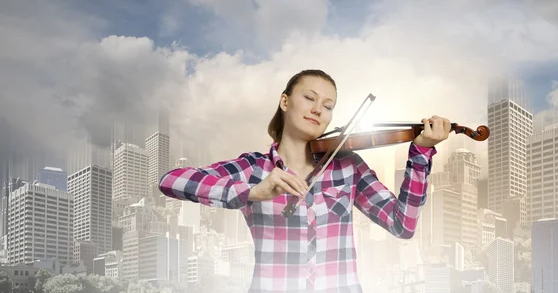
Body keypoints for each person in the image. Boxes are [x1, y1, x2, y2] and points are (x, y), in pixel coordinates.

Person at [158, 69, 452, 293]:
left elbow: (403, 225)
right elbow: (171, 181)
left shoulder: (348, 166)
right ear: (285, 101)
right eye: (309, 98)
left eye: (328, 106)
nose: (318, 110)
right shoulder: (253, 168)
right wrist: (252, 192)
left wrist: (421, 151)